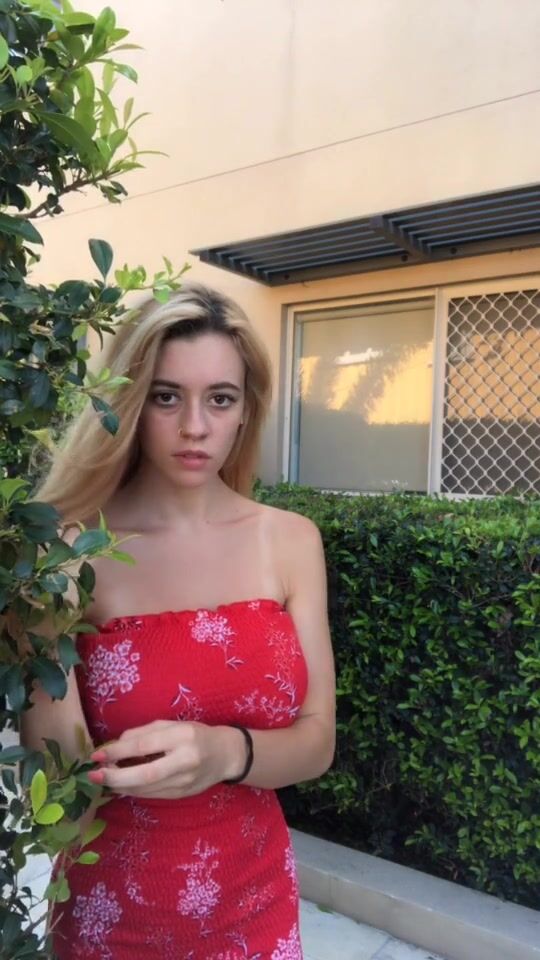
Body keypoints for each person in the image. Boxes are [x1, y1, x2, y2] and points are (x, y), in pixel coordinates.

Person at [23, 283, 336, 960]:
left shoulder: (289, 541)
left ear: (245, 410)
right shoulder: (69, 557)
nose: (195, 426)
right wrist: (33, 621)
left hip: (257, 908)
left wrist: (226, 753)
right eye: (167, 397)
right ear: (131, 404)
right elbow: (62, 802)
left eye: (219, 399)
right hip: (112, 915)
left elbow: (317, 741)